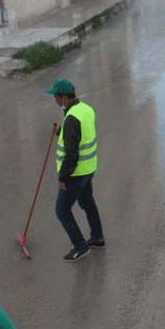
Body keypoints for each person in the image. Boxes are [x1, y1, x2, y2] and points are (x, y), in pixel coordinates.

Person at [47, 79, 104, 262]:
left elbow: (71, 153)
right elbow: (79, 132)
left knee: (62, 211)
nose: (54, 100)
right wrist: (59, 131)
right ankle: (97, 237)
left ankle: (80, 246)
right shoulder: (84, 109)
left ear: (63, 97)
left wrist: (62, 177)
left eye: (55, 97)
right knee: (88, 203)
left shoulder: (71, 118)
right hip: (88, 169)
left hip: (75, 173)